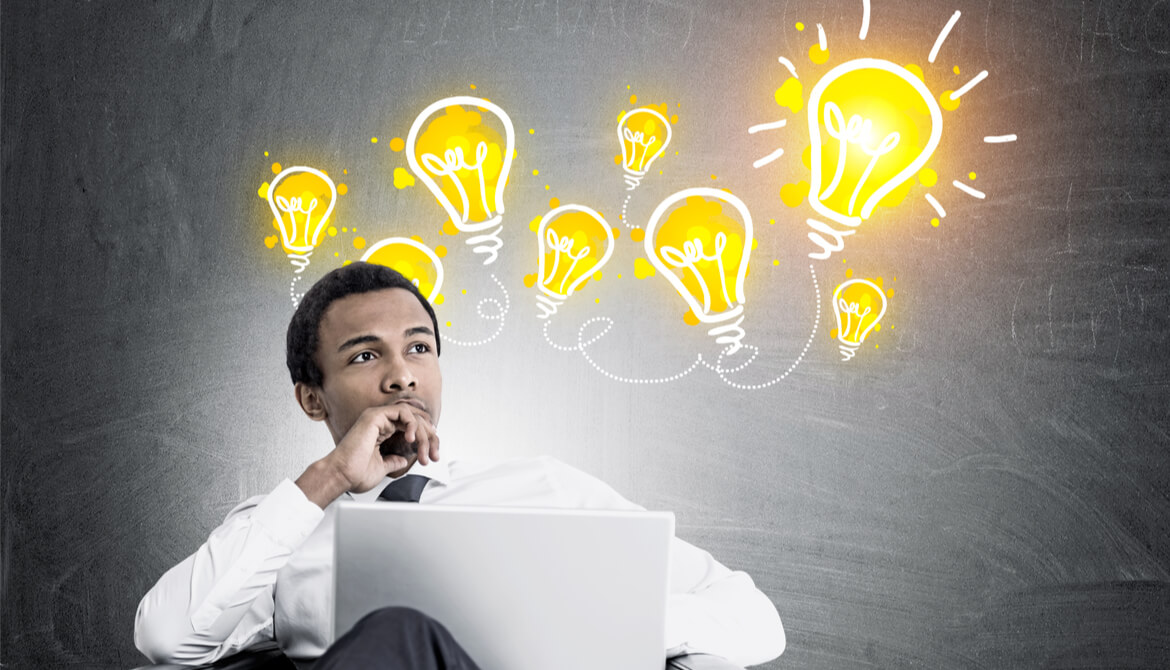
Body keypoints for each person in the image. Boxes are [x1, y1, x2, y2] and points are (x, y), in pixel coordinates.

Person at [134, 262, 786, 668]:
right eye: (365, 357)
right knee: (397, 630)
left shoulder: (543, 487)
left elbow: (756, 620)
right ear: (312, 399)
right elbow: (167, 637)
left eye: (418, 349)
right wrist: (331, 478)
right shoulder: (287, 531)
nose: (399, 377)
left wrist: (597, 619)